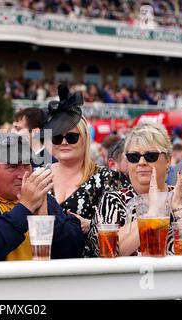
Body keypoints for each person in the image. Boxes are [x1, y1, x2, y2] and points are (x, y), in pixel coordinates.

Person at [0, 132, 84, 262]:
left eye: (27, 165)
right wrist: (25, 208)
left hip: (42, 284)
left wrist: (46, 220)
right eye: (13, 167)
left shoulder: (39, 196)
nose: (23, 174)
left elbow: (73, 251)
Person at [89, 123, 182, 257]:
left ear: (168, 160)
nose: (141, 162)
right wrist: (152, 212)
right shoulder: (112, 201)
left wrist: (178, 206)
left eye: (151, 156)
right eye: (133, 157)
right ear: (127, 163)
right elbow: (107, 250)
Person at [45, 85, 128, 256]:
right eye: (57, 137)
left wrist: (91, 226)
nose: (64, 142)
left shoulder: (109, 178)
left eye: (72, 137)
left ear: (85, 140)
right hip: (44, 267)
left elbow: (127, 230)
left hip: (91, 269)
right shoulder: (39, 176)